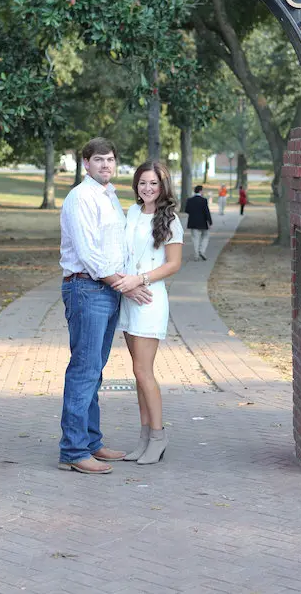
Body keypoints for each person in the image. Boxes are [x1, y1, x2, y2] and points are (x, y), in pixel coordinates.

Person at [58, 137, 152, 475]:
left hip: (108, 289)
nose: (106, 165)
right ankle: (72, 450)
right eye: (99, 160)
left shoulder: (109, 197)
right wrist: (120, 283)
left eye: (111, 159)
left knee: (94, 370)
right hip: (87, 287)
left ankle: (91, 441)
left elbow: (116, 248)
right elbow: (88, 252)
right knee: (83, 369)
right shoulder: (80, 198)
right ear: (85, 163)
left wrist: (126, 281)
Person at [114, 161, 183, 464]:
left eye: (153, 183)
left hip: (149, 299)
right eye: (143, 183)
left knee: (144, 372)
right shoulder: (130, 212)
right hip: (129, 297)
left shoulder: (171, 219)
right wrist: (125, 283)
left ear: (163, 186)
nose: (147, 188)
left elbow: (173, 264)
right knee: (137, 373)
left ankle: (159, 436)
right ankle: (144, 438)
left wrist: (141, 280)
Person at [184, 184, 212, 261]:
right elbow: (207, 212)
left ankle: (196, 254)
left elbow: (187, 210)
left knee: (195, 238)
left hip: (193, 222)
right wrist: (210, 221)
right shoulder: (204, 200)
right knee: (205, 236)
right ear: (200, 191)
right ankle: (202, 250)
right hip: (203, 222)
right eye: (202, 190)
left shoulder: (190, 200)